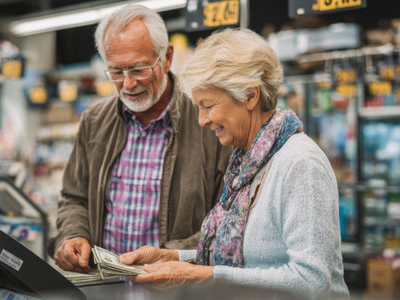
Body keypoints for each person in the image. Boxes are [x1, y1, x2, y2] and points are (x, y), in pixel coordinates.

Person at [119, 28, 350, 298]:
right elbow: (246, 256)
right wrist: (173, 257)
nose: (202, 120)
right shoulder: (246, 164)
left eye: (208, 105)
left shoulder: (299, 163)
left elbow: (312, 280)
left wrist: (203, 275)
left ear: (250, 96)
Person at [48, 5, 232, 273]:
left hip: (180, 289)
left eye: (138, 69)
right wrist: (73, 235)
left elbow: (228, 216)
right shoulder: (95, 121)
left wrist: (174, 257)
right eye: (116, 72)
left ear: (167, 57)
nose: (128, 84)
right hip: (105, 285)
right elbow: (75, 198)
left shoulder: (207, 120)